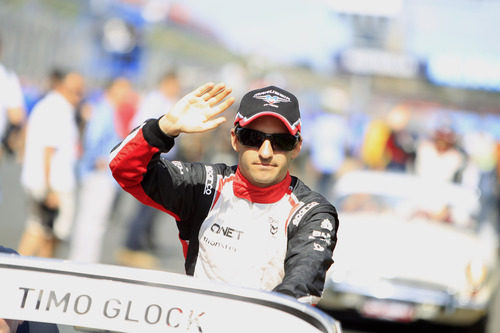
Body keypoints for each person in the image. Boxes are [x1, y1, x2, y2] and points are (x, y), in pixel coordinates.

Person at [109, 83, 339, 304]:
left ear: (297, 146)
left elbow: (303, 285)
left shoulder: (312, 212)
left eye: (281, 141)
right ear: (235, 139)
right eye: (253, 139)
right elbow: (123, 169)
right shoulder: (206, 185)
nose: (266, 152)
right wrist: (163, 128)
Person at [116, 71, 182, 268]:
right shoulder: (154, 101)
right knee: (145, 205)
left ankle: (142, 242)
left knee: (154, 205)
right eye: (174, 84)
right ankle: (131, 246)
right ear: (166, 83)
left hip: (162, 158)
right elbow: (139, 128)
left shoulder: (166, 100)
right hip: (152, 158)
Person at [17, 71, 85, 258]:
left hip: (40, 179)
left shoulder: (49, 105)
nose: (80, 97)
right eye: (77, 91)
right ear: (62, 88)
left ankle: (24, 271)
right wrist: (50, 189)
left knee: (40, 230)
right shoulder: (58, 110)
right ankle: (21, 271)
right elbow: (48, 150)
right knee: (45, 233)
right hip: (53, 183)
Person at [68, 77, 134, 263]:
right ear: (112, 90)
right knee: (91, 222)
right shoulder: (104, 110)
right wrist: (97, 161)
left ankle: (85, 261)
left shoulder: (110, 111)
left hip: (103, 175)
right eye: (123, 89)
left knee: (94, 222)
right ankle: (83, 263)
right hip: (99, 176)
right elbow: (92, 140)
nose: (126, 94)